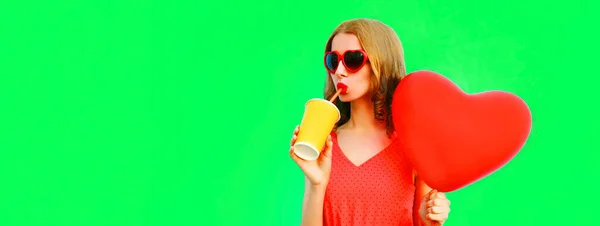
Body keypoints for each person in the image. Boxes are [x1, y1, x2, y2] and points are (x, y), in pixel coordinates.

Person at [289, 18, 452, 226]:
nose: (338, 71)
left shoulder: (414, 144)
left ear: (381, 63)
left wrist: (430, 217)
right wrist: (316, 183)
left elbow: (423, 222)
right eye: (332, 60)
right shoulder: (324, 143)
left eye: (353, 59)